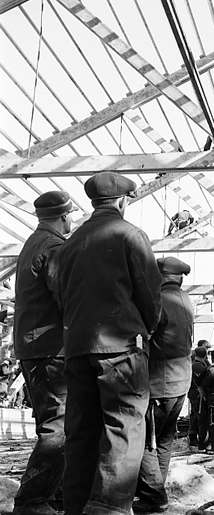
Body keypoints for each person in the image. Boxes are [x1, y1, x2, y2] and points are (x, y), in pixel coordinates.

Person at [57, 171, 162, 515]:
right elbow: (149, 293)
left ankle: (76, 505)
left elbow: (61, 294)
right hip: (119, 348)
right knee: (124, 425)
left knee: (81, 431)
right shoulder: (130, 234)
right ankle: (108, 507)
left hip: (76, 349)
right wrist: (144, 330)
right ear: (123, 200)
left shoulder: (69, 243)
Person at [12, 191, 76, 515]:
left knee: (54, 424)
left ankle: (56, 496)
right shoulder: (53, 247)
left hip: (34, 347)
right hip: (50, 349)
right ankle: (32, 502)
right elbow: (67, 297)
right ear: (65, 216)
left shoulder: (31, 244)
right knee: (59, 428)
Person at [134, 257, 193, 513]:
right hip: (181, 382)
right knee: (165, 439)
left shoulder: (159, 301)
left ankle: (154, 496)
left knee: (144, 440)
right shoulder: (185, 300)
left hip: (161, 382)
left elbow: (141, 332)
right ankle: (156, 490)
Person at [187, 346, 210, 450]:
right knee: (202, 418)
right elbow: (205, 383)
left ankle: (192, 438)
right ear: (205, 355)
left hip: (192, 394)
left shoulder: (190, 365)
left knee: (194, 416)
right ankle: (202, 441)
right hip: (199, 396)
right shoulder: (201, 367)